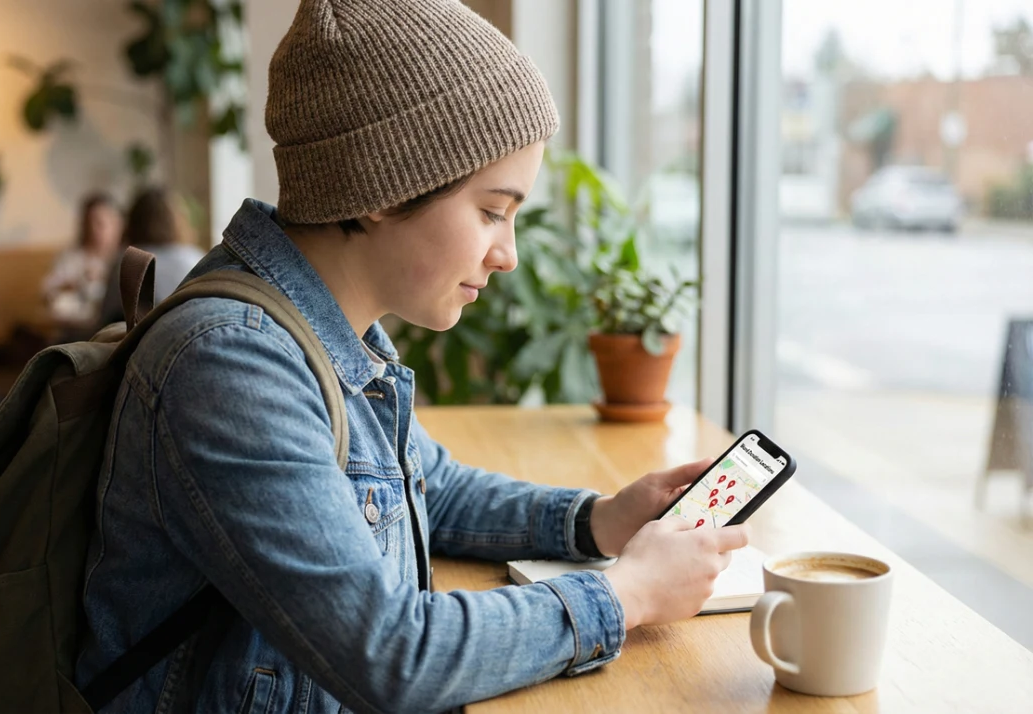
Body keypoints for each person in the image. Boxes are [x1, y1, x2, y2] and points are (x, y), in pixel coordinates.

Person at [76, 1, 750, 712]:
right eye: (492, 211)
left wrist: (598, 519)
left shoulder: (328, 331)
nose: (508, 254)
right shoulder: (233, 365)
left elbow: (433, 488)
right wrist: (627, 593)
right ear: (381, 187)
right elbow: (390, 654)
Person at [97, 188, 204, 326]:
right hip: (189, 340)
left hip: (138, 345)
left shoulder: (128, 261)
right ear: (178, 221)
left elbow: (105, 319)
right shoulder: (195, 259)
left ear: (133, 223)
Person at [43, 192, 121, 325]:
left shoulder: (126, 258)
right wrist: (74, 284)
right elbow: (47, 292)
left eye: (101, 223)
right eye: (90, 222)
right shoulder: (72, 258)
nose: (95, 229)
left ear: (117, 225)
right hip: (76, 327)